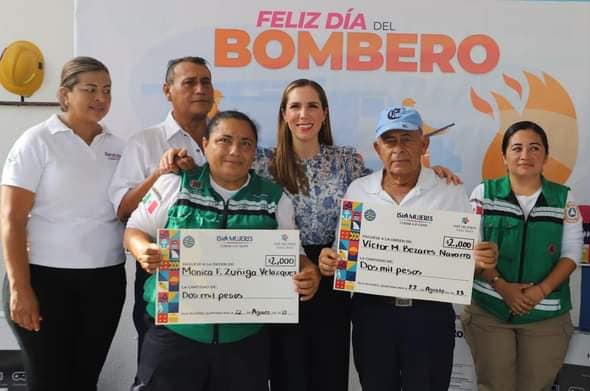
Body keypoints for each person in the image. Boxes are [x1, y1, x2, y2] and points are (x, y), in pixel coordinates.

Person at [251, 79, 463, 391]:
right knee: (287, 371)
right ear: (284, 113)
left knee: (331, 370)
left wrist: (432, 173)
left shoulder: (346, 162)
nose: (303, 113)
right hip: (283, 272)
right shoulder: (260, 161)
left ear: (324, 113)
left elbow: (388, 194)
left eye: (312, 105)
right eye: (295, 106)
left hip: (337, 267)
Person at [124, 110, 320, 391]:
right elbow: (134, 229)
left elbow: (294, 254)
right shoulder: (175, 185)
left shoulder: (274, 198)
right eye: (224, 140)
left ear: (255, 151)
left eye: (245, 143)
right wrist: (143, 249)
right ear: (204, 144)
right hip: (175, 333)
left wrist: (308, 270)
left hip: (244, 341)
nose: (234, 151)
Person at [318, 106, 497, 391]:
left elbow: (471, 261)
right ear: (378, 148)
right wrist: (331, 261)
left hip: (429, 317)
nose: (398, 148)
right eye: (390, 140)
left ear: (424, 144)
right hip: (372, 314)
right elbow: (345, 253)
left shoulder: (450, 191)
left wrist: (482, 260)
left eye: (407, 139)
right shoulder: (359, 190)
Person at [1, 57, 126, 390]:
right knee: (48, 381)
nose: (101, 98)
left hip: (104, 282)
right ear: (64, 94)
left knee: (84, 381)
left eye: (107, 90)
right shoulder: (37, 140)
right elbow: (11, 219)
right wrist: (20, 288)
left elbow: (130, 208)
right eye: (90, 89)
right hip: (42, 281)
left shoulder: (119, 148)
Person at [462, 120, 583, 391]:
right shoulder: (484, 194)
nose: (525, 156)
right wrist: (503, 287)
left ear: (546, 156)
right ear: (504, 157)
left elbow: (571, 253)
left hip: (546, 313)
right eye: (516, 148)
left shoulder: (563, 198)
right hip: (490, 309)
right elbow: (474, 249)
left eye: (534, 148)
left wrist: (539, 291)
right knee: (494, 385)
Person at [108, 56, 213, 358]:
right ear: (167, 91)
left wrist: (197, 178)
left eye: (206, 82)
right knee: (161, 370)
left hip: (224, 272)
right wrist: (159, 175)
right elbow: (123, 211)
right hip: (162, 269)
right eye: (189, 82)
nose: (200, 89)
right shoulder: (145, 142)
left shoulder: (226, 140)